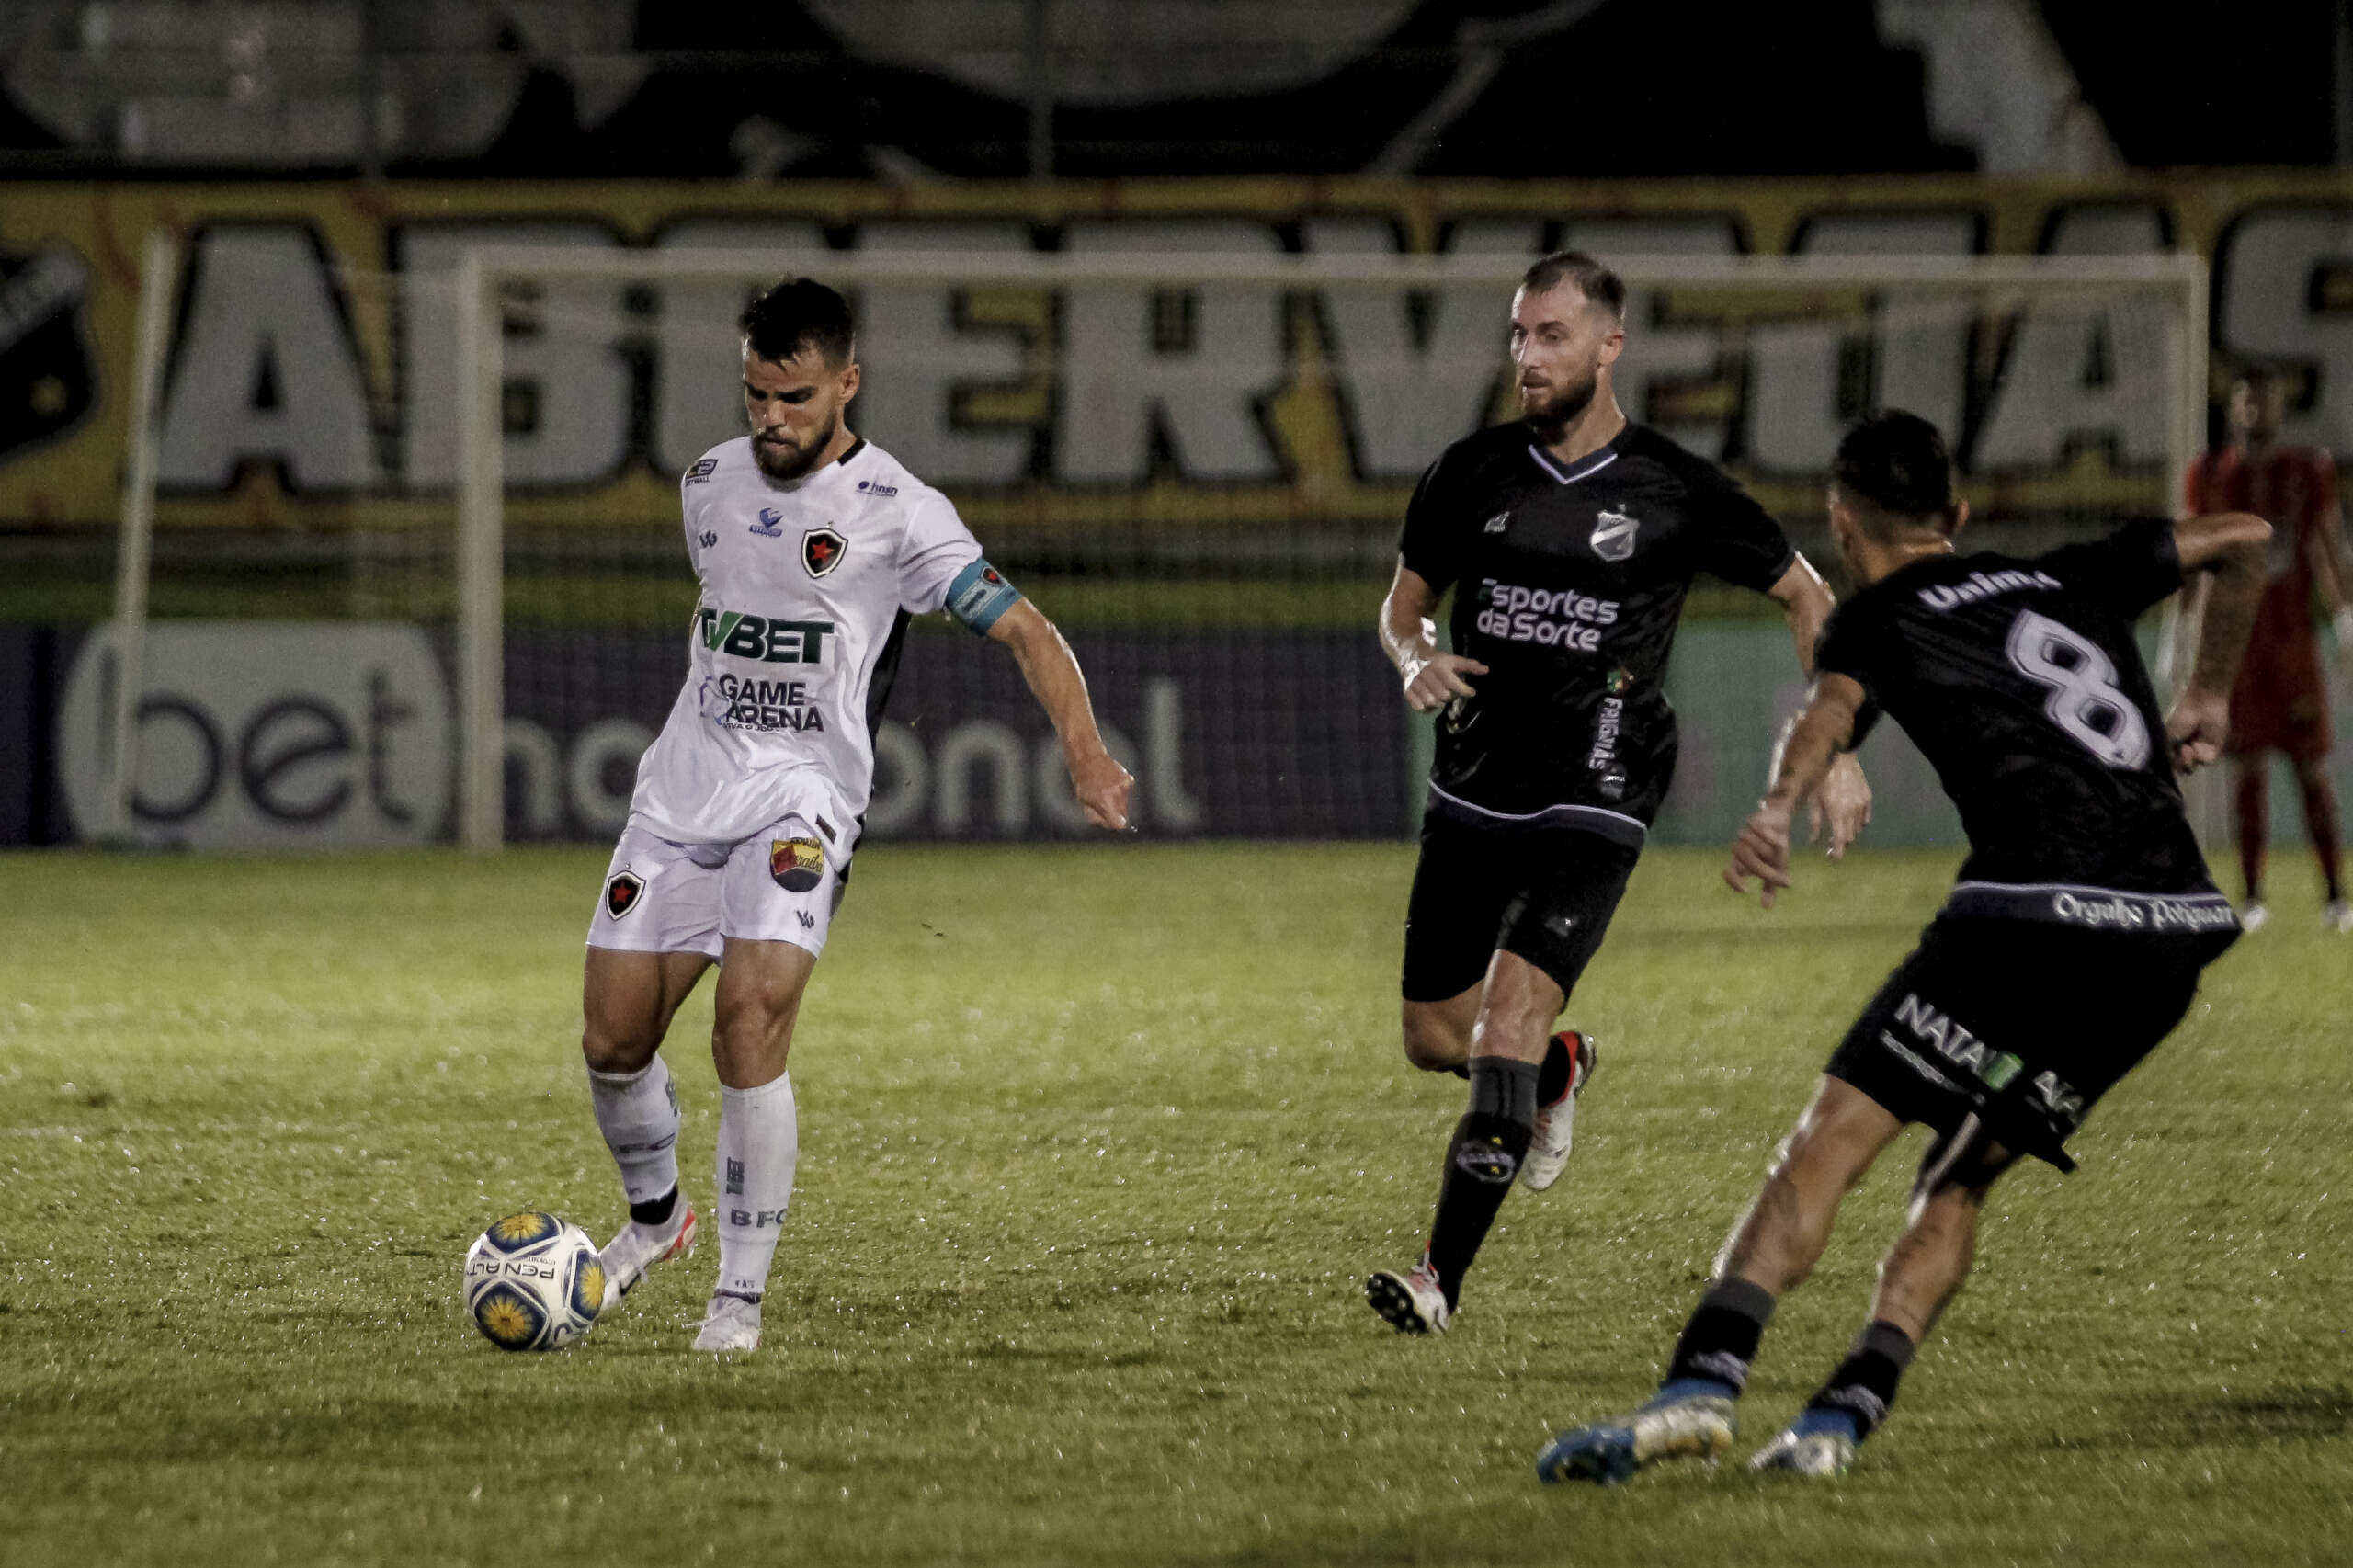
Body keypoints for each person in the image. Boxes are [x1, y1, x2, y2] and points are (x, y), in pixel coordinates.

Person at [1536, 410, 2268, 1483]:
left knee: (1828, 1140)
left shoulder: (1875, 617)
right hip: (2167, 935)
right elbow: (2242, 539)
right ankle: (1840, 1416)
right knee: (1960, 1174)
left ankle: (1701, 1386)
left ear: (1841, 521)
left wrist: (1778, 803)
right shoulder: (2067, 577)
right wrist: (2207, 687)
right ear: (1958, 516)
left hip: (2028, 915)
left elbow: (1826, 713)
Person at [577, 278, 1133, 1351]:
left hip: (803, 798)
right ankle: (657, 1223)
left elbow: (1027, 630)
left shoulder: (901, 513)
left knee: (751, 1020)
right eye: (753, 394)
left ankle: (738, 1293)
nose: (769, 418)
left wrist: (1086, 752)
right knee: (611, 1040)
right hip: (681, 794)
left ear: (847, 381)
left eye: (791, 396)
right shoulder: (708, 483)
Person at [1364, 251, 1871, 1335]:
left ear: (1609, 345)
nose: (1527, 357)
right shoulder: (1471, 471)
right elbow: (1401, 605)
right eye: (1517, 334)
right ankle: (1555, 1071)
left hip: (1599, 785)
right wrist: (1412, 657)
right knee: (1430, 1033)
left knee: (1504, 1014)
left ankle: (1436, 1277)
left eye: (1550, 335)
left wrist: (1840, 747)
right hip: (1476, 780)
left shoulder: (1675, 488)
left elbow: (1806, 591)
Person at [2181, 367, 2353, 932]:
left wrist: (2345, 624)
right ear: (2234, 411)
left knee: (2310, 770)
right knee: (2245, 771)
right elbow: (2193, 560)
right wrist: (2183, 640)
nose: (2255, 414)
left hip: (2293, 645)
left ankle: (2336, 897)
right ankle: (2252, 899)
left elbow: (2329, 548)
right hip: (2238, 652)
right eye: (2246, 404)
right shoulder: (2208, 474)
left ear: (2280, 409)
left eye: (2264, 404)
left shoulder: (2309, 469)